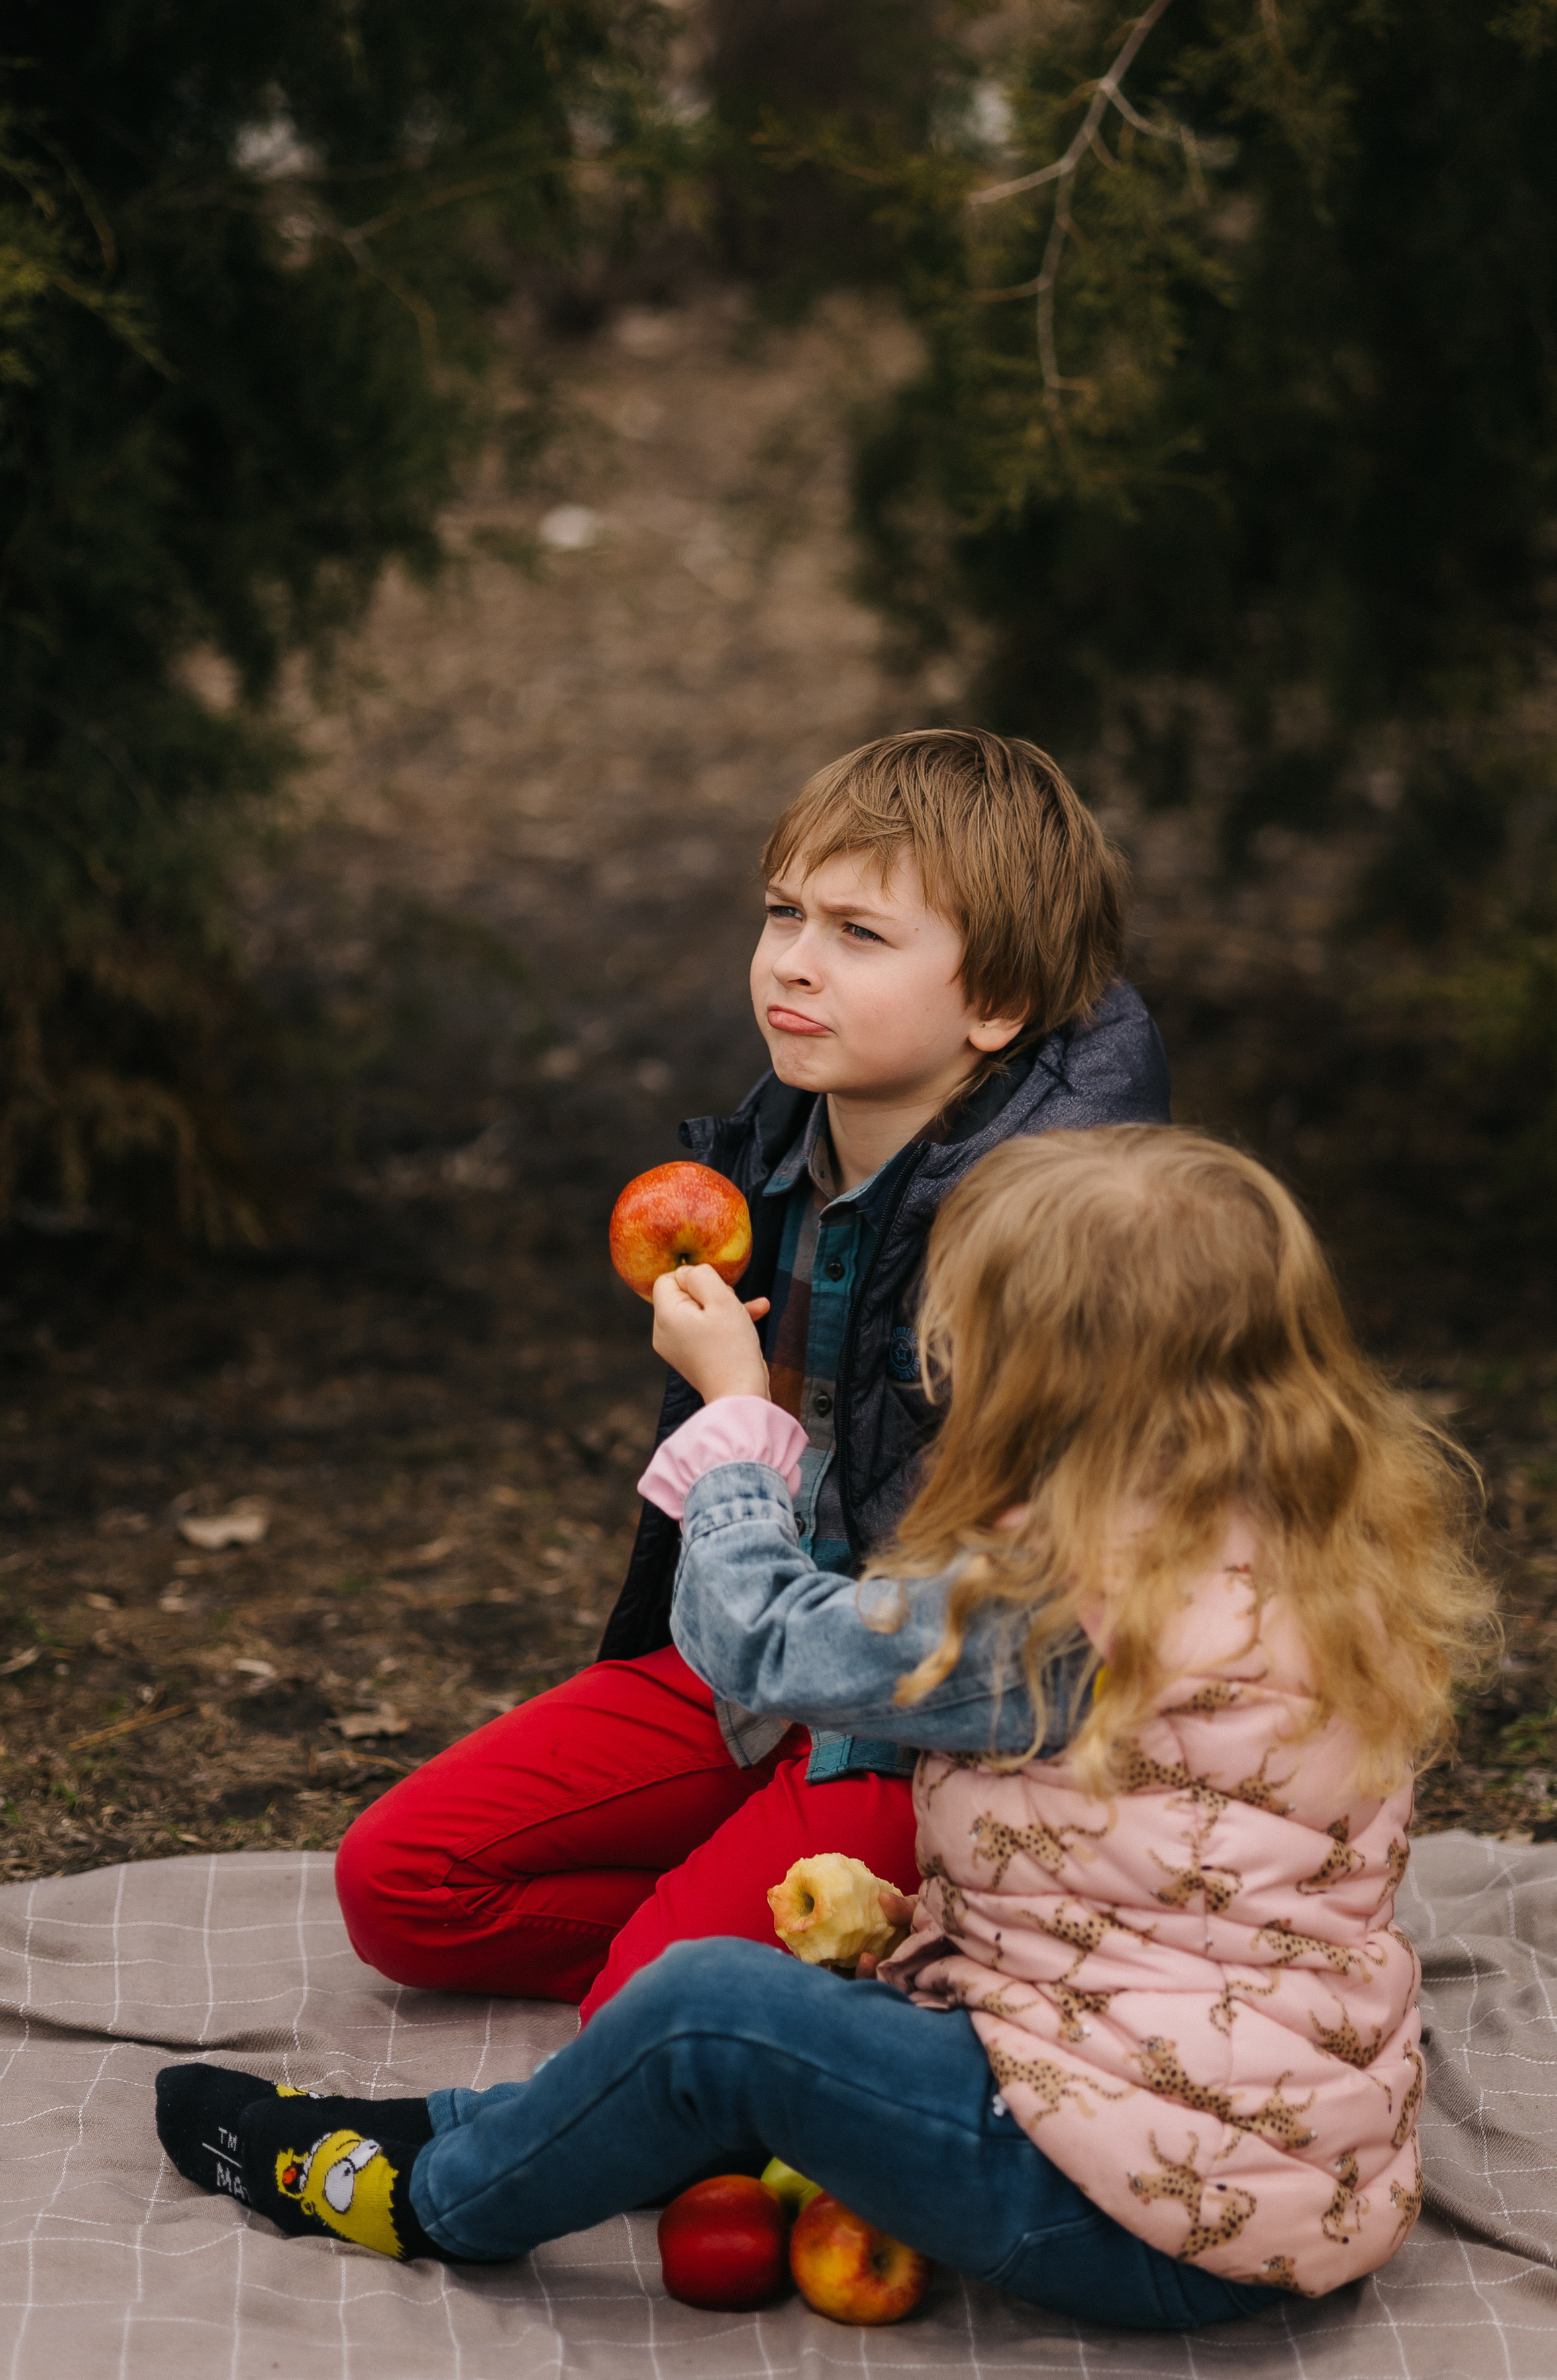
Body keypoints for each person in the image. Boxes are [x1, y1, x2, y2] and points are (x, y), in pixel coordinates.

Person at [158, 1125, 1492, 2328]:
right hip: (1279, 2180)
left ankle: (425, 2194)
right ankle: (460, 2126)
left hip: (1123, 2206)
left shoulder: (1060, 1611)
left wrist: (740, 1427)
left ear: (1038, 1388)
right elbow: (1173, 1880)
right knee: (780, 1988)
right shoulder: (1312, 1557)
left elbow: (757, 1641)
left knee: (708, 2014)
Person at [332, 728, 1169, 2022]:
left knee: (642, 2018)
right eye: (782, 912)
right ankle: (791, 1934)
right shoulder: (768, 1160)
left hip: (914, 1727)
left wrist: (733, 1407)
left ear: (993, 1001)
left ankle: (888, 1936)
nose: (791, 960)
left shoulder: (1055, 1240)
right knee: (400, 1887)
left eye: (857, 934)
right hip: (743, 1667)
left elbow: (1008, 1624)